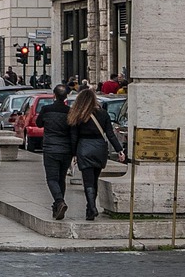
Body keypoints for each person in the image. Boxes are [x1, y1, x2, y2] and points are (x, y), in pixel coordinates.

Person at [68, 89, 126, 221]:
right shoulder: (103, 114)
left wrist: (74, 153)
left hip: (84, 147)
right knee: (95, 179)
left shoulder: (77, 114)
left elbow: (74, 136)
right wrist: (119, 150)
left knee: (87, 180)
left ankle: (92, 207)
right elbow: (110, 134)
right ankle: (90, 208)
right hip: (99, 147)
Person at [38, 84, 74, 219]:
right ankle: (58, 206)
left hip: (51, 148)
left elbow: (39, 123)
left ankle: (59, 202)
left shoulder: (46, 109)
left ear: (54, 95)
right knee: (61, 178)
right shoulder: (69, 111)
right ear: (66, 97)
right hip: (66, 149)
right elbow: (73, 131)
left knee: (52, 178)